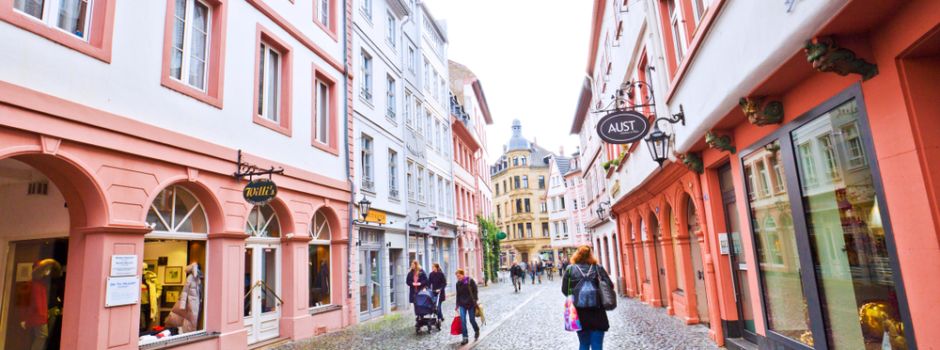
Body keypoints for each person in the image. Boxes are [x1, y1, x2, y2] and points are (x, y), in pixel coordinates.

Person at [562, 246, 613, 350]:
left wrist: (576, 295)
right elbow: (609, 286)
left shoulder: (570, 269)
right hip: (597, 311)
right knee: (597, 344)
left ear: (576, 254)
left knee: (584, 343)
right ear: (591, 254)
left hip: (579, 312)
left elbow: (565, 290)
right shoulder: (597, 268)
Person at [454, 269, 480, 345]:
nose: (458, 278)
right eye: (457, 276)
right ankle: (465, 338)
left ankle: (476, 330)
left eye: (459, 276)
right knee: (463, 321)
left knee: (472, 320)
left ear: (462, 274)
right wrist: (457, 304)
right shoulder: (458, 283)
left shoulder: (469, 280)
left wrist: (475, 299)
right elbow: (458, 295)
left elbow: (475, 290)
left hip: (471, 304)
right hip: (462, 304)